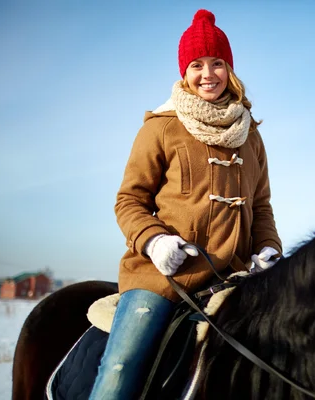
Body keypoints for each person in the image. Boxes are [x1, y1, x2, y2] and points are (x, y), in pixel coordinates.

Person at [89, 9, 282, 399]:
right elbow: (129, 200)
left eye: (217, 63)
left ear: (230, 69)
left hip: (234, 278)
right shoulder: (161, 127)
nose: (207, 73)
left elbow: (260, 206)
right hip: (163, 278)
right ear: (184, 72)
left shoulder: (250, 137)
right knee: (120, 365)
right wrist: (154, 241)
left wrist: (269, 247)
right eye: (197, 65)